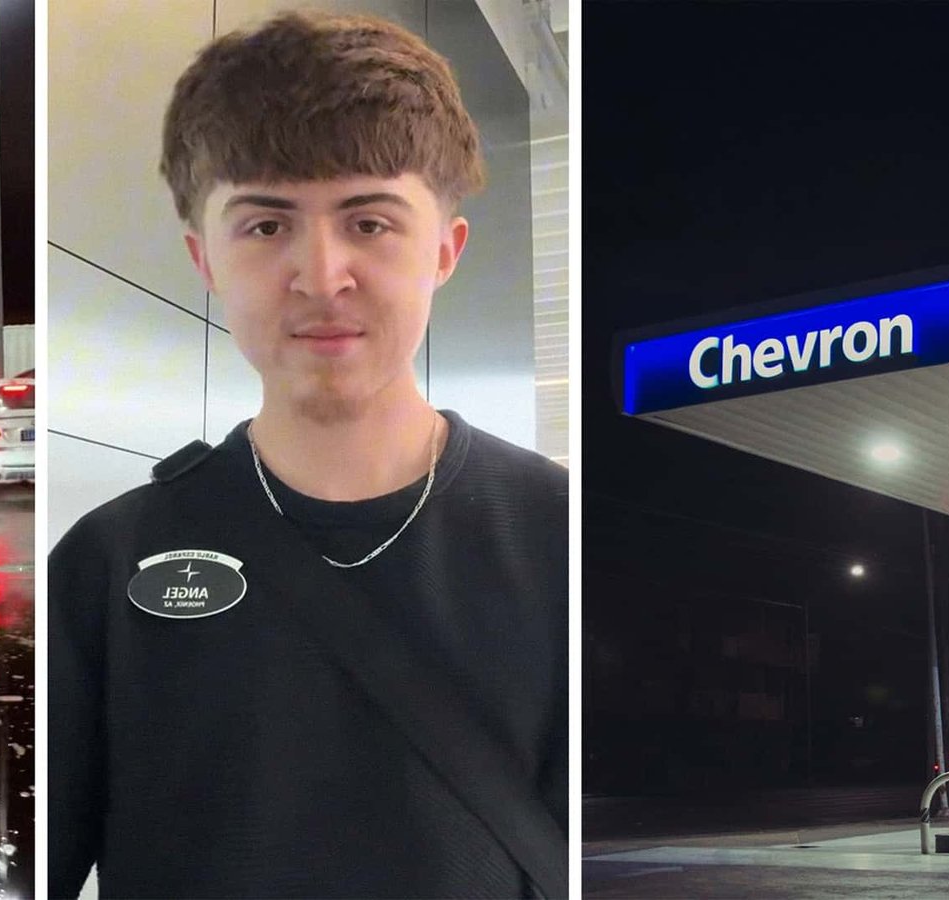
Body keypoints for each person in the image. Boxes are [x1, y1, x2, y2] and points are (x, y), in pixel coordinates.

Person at [49, 11, 568, 900]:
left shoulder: (562, 539)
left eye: (370, 222)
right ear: (203, 259)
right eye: (265, 226)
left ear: (445, 251)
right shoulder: (105, 567)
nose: (322, 275)